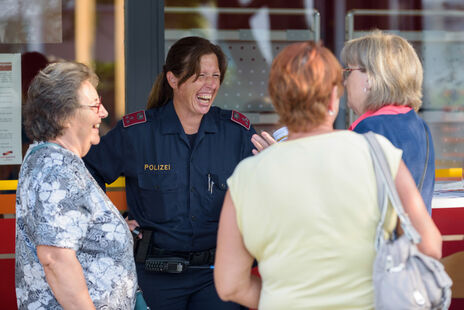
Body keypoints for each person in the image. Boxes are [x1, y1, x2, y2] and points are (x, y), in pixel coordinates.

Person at [214, 41, 442, 309]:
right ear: (335, 96)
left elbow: (230, 285)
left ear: (275, 99)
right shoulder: (377, 153)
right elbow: (429, 245)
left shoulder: (246, 177)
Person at [84, 36, 256, 309]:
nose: (210, 85)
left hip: (218, 276)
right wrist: (113, 223)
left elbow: (265, 188)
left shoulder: (237, 133)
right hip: (155, 278)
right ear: (173, 80)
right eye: (200, 76)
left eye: (215, 76)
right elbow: (86, 174)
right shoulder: (137, 134)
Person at [15, 62, 137, 309]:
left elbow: (67, 231)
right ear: (63, 116)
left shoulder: (49, 157)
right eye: (94, 105)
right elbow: (55, 258)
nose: (103, 112)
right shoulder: (57, 168)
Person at [341, 30, 435, 214]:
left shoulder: (369, 131)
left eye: (348, 71)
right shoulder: (419, 126)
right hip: (411, 241)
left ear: (370, 78)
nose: (344, 82)